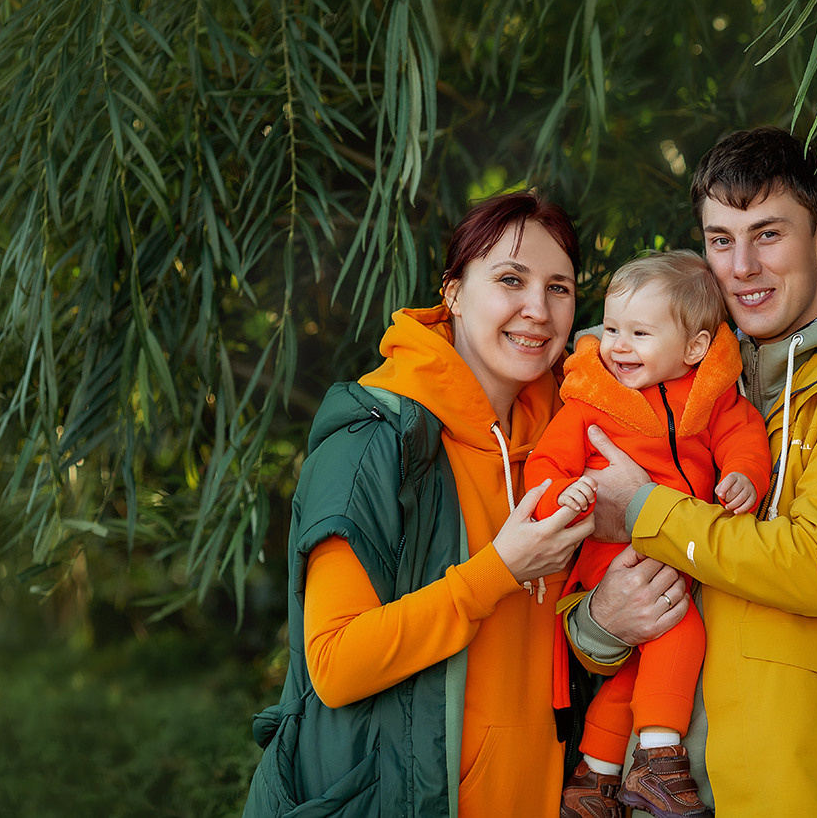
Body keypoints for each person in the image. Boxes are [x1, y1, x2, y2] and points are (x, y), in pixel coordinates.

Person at [567, 126, 817, 815]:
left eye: (768, 234)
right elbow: (609, 601)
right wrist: (600, 621)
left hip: (810, 790)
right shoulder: (691, 392)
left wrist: (647, 509)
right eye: (720, 239)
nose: (741, 266)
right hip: (672, 790)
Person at [241, 191, 597, 818]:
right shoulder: (375, 444)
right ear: (454, 292)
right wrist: (497, 573)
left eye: (559, 287)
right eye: (510, 280)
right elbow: (335, 663)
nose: (537, 310)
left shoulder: (569, 442)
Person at [525, 251, 772, 818]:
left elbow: (745, 437)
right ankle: (661, 763)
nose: (618, 345)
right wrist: (566, 497)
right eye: (611, 328)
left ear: (693, 348)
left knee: (636, 671)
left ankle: (596, 779)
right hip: (613, 558)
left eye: (639, 333)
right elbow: (547, 463)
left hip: (677, 546)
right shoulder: (593, 400)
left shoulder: (710, 399)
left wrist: (744, 477)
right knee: (680, 633)